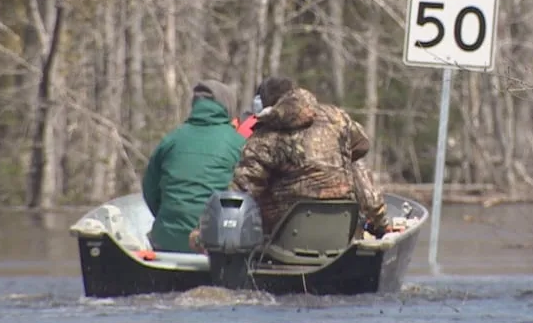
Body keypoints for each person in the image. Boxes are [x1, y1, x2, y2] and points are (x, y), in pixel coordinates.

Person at [228, 76, 390, 236]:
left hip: (284, 239)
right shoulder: (336, 117)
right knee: (353, 163)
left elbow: (242, 189)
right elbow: (363, 144)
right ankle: (378, 220)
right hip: (341, 234)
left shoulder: (265, 136)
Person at [142, 79, 246, 253]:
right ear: (228, 107)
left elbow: (149, 191)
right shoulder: (239, 143)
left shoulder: (171, 139)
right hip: (215, 245)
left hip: (166, 241)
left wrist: (171, 223)